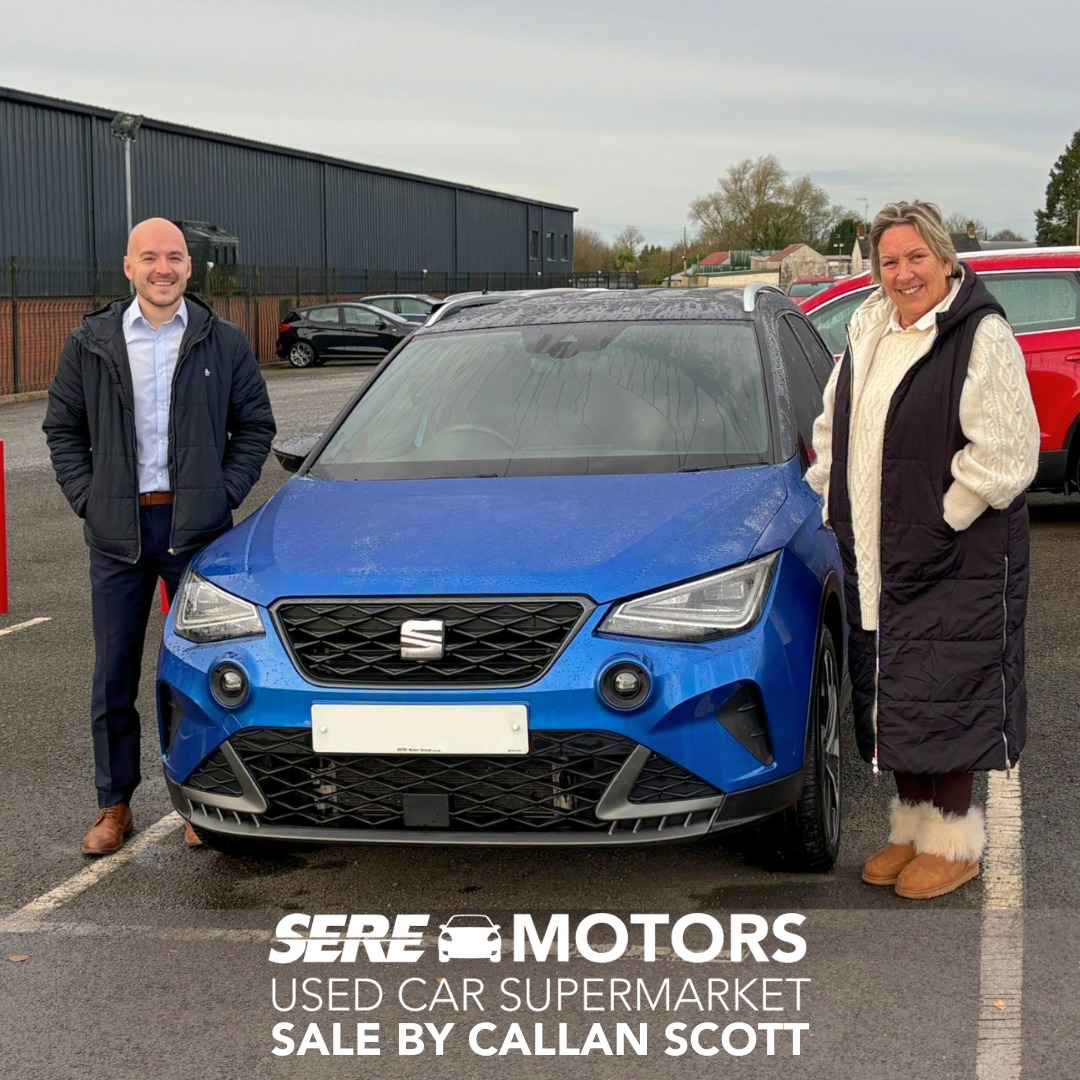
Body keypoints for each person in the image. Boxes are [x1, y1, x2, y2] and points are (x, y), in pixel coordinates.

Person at [806, 201, 1038, 899]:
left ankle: (954, 840)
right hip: (877, 547)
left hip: (954, 550)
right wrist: (830, 494)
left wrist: (944, 518)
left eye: (916, 258)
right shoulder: (870, 326)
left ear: (944, 259)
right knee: (891, 684)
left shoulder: (979, 334)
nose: (903, 274)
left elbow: (1007, 451)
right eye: (889, 261)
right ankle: (909, 827)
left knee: (950, 685)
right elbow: (833, 423)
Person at [44, 218, 276, 856]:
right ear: (128, 267)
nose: (163, 268)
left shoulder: (222, 341)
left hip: (197, 535)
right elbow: (62, 428)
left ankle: (203, 802)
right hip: (118, 530)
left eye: (174, 257)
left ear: (189, 267)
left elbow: (255, 425)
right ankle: (113, 804)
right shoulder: (90, 341)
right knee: (112, 674)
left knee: (197, 674)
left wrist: (221, 495)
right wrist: (91, 503)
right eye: (150, 257)